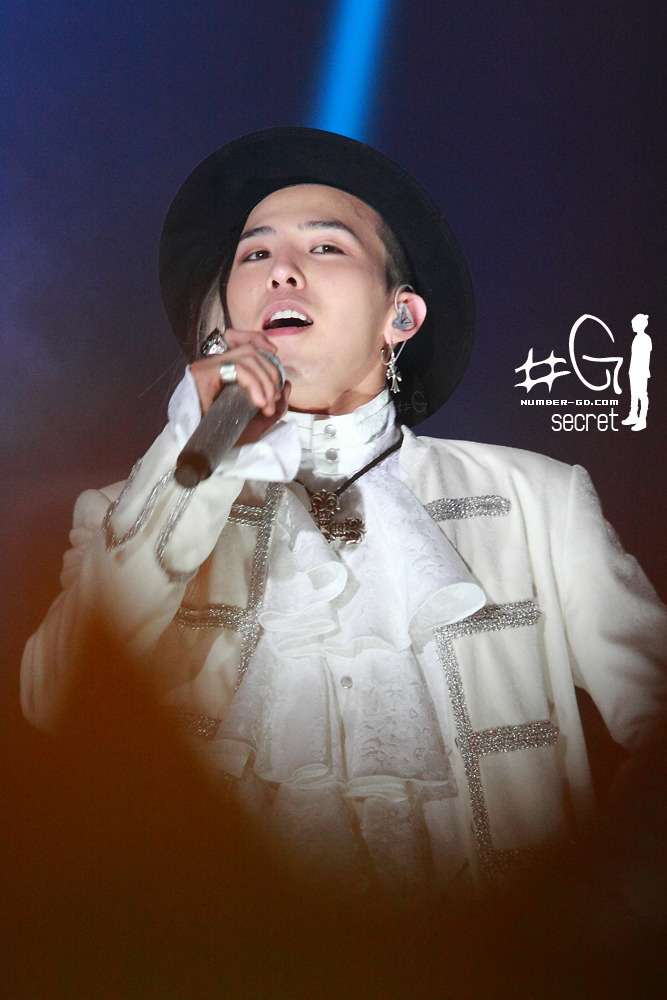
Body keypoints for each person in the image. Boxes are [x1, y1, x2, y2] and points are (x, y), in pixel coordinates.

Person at [21, 128, 667, 903]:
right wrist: (198, 450)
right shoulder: (126, 511)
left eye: (325, 246)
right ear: (226, 320)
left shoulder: (537, 499)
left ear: (401, 317)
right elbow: (54, 698)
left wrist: (607, 916)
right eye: (254, 254)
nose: (281, 269)